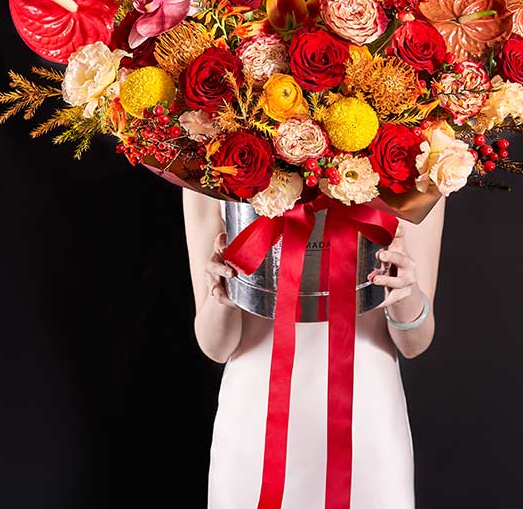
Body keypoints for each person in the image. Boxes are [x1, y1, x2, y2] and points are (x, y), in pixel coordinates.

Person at [183, 188, 446, 509]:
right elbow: (215, 346)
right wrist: (222, 291)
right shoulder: (208, 166)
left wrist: (405, 291)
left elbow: (415, 342)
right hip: (254, 426)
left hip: (367, 424)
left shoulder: (420, 165)